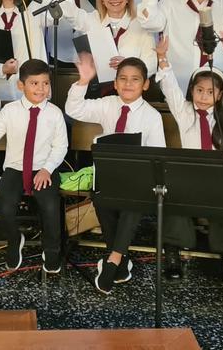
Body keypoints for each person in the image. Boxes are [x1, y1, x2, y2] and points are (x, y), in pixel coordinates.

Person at [66, 55, 165, 294]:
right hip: (109, 176)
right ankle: (119, 260)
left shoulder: (152, 116)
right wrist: (83, 81)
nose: (128, 84)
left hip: (138, 180)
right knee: (101, 197)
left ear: (145, 84)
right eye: (122, 79)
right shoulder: (108, 104)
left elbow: (159, 157)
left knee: (133, 203)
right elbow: (74, 108)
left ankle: (113, 260)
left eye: (135, 79)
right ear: (116, 82)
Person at [155, 33, 223, 282]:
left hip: (216, 173)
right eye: (199, 90)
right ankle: (172, 250)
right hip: (187, 171)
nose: (204, 96)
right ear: (192, 90)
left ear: (220, 94)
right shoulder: (184, 113)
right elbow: (170, 87)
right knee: (171, 195)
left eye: (210, 92)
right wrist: (162, 58)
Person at [0, 59, 67, 273]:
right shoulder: (11, 111)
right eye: (34, 83)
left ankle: (51, 251)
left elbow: (61, 146)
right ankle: (15, 241)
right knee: (5, 208)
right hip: (14, 169)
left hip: (43, 169)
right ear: (21, 86)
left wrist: (47, 168)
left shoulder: (54, 113)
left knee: (50, 208)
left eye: (45, 83)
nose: (41, 89)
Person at [38, 0, 156, 78]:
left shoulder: (141, 22)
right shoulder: (92, 20)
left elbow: (152, 64)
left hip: (132, 90)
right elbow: (69, 12)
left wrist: (128, 66)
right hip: (99, 93)